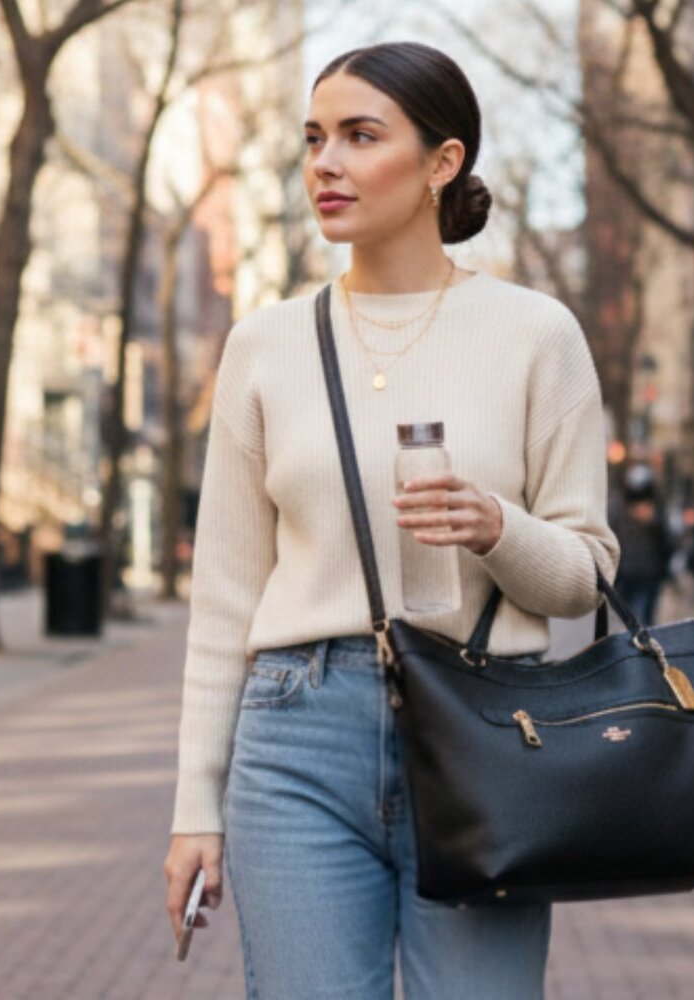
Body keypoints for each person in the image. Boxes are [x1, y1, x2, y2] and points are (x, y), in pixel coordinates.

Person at [163, 41, 619, 999]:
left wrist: (497, 524)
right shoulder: (264, 345)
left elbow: (585, 575)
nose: (325, 164)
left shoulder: (538, 334)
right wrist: (192, 810)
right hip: (296, 734)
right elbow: (225, 602)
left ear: (442, 162)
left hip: (486, 731)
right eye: (314, 139)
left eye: (360, 137)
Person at [611, 464, 673, 625]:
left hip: (647, 574)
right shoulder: (618, 508)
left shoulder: (655, 510)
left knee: (644, 620)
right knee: (632, 621)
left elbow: (665, 540)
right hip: (629, 573)